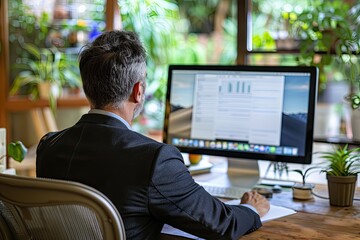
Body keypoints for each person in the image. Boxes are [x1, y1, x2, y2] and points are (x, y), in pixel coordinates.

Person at [36, 30, 270, 240]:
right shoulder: (155, 159)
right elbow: (221, 224)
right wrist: (251, 209)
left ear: (87, 87)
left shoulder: (49, 147)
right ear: (138, 91)